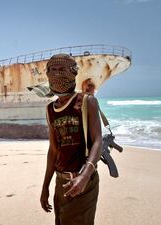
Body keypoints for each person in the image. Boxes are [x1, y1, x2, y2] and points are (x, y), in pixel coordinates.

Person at [40, 54, 102, 225]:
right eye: (52, 70)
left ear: (73, 72)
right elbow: (53, 150)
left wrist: (84, 176)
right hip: (61, 182)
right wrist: (45, 186)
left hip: (84, 181)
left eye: (61, 69)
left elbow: (98, 140)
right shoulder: (50, 109)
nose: (56, 74)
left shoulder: (87, 101)